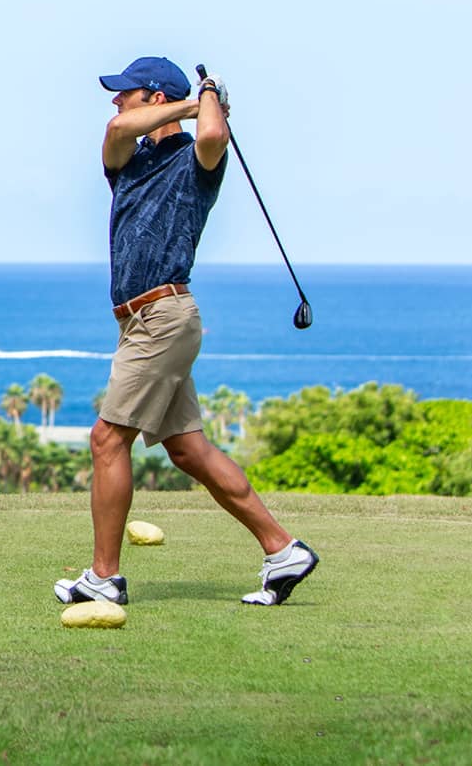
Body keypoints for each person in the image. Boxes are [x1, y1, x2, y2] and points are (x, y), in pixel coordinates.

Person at [53, 55, 319, 609]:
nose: (115, 100)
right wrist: (196, 100)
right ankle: (282, 549)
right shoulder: (126, 159)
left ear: (154, 96)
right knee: (187, 449)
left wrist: (210, 98)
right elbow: (117, 130)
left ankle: (104, 577)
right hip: (139, 323)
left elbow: (214, 133)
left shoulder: (200, 163)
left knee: (108, 439)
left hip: (164, 316)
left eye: (126, 91)